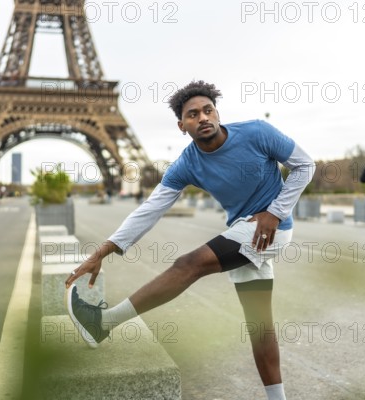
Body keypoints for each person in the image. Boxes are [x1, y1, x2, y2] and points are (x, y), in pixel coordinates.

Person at [64, 81, 315, 400]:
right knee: (260, 326)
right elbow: (150, 209)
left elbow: (305, 164)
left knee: (189, 264)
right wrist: (103, 250)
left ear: (218, 113)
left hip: (270, 230)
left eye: (208, 110)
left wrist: (276, 212)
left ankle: (104, 322)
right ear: (183, 126)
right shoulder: (186, 164)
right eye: (193, 114)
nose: (203, 117)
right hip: (244, 230)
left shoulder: (257, 132)